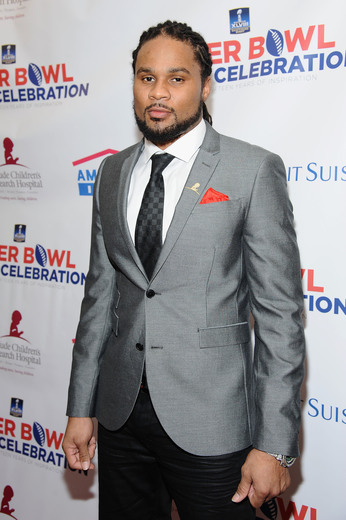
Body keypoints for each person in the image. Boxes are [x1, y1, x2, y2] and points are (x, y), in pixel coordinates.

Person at [62, 20, 305, 520]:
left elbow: (280, 317)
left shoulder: (252, 170)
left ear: (205, 84)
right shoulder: (111, 172)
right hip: (121, 415)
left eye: (177, 78)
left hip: (213, 422)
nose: (158, 93)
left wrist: (275, 446)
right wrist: (80, 406)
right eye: (146, 77)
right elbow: (99, 299)